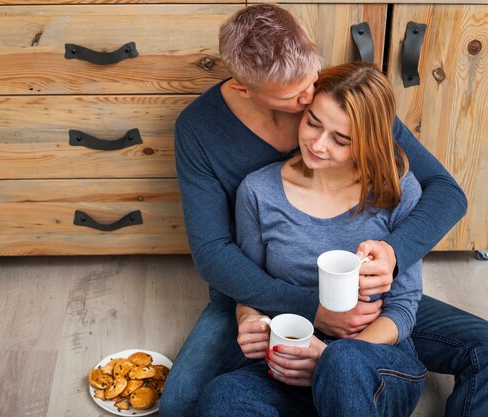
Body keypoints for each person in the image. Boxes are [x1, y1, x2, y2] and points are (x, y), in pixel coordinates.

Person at [160, 4, 488, 417]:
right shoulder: (207, 137)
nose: (309, 99)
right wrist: (303, 310)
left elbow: (445, 194)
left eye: (311, 82)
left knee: (464, 347)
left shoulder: (342, 99)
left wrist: (393, 254)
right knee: (182, 405)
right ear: (244, 88)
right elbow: (214, 254)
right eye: (300, 106)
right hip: (264, 286)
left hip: (366, 298)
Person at [197, 61, 426, 417]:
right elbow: (249, 288)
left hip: (370, 359)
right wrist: (248, 320)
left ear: (368, 141)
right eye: (313, 123)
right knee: (223, 394)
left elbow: (404, 307)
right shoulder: (259, 192)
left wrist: (328, 358)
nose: (318, 145)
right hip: (288, 356)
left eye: (341, 139)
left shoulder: (396, 190)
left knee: (343, 363)